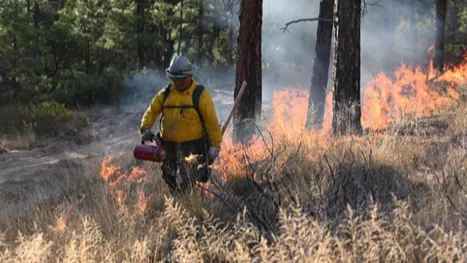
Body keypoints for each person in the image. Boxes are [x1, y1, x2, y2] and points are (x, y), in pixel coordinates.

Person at [139, 55, 222, 195]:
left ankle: (184, 203)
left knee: (187, 179)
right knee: (168, 175)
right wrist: (145, 128)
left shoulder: (200, 95)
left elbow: (211, 122)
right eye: (174, 79)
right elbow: (151, 111)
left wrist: (215, 145)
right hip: (168, 146)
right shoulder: (165, 94)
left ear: (190, 75)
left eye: (181, 79)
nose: (178, 83)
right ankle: (174, 196)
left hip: (192, 147)